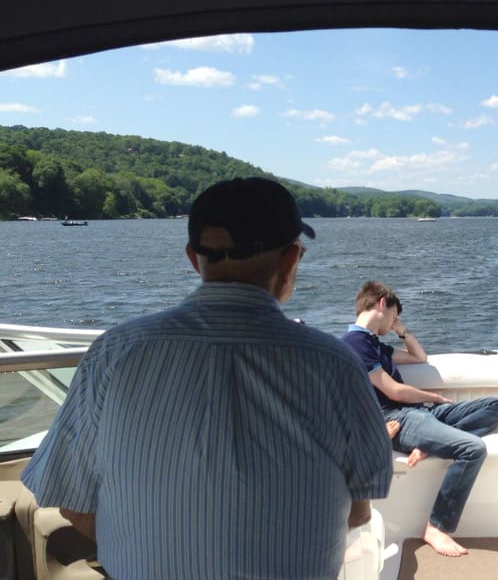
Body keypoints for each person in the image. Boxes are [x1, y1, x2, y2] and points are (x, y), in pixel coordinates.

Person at [21, 177, 394, 579]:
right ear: (291, 259)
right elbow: (358, 510)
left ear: (193, 258)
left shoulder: (114, 353)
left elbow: (71, 503)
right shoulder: (336, 364)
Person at [342, 281, 498, 557]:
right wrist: (433, 397)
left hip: (421, 413)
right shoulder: (354, 343)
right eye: (395, 315)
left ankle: (430, 443)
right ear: (382, 304)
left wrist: (401, 330)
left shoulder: (374, 344)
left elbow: (419, 356)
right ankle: (437, 526)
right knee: (473, 449)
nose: (395, 322)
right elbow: (393, 390)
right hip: (400, 418)